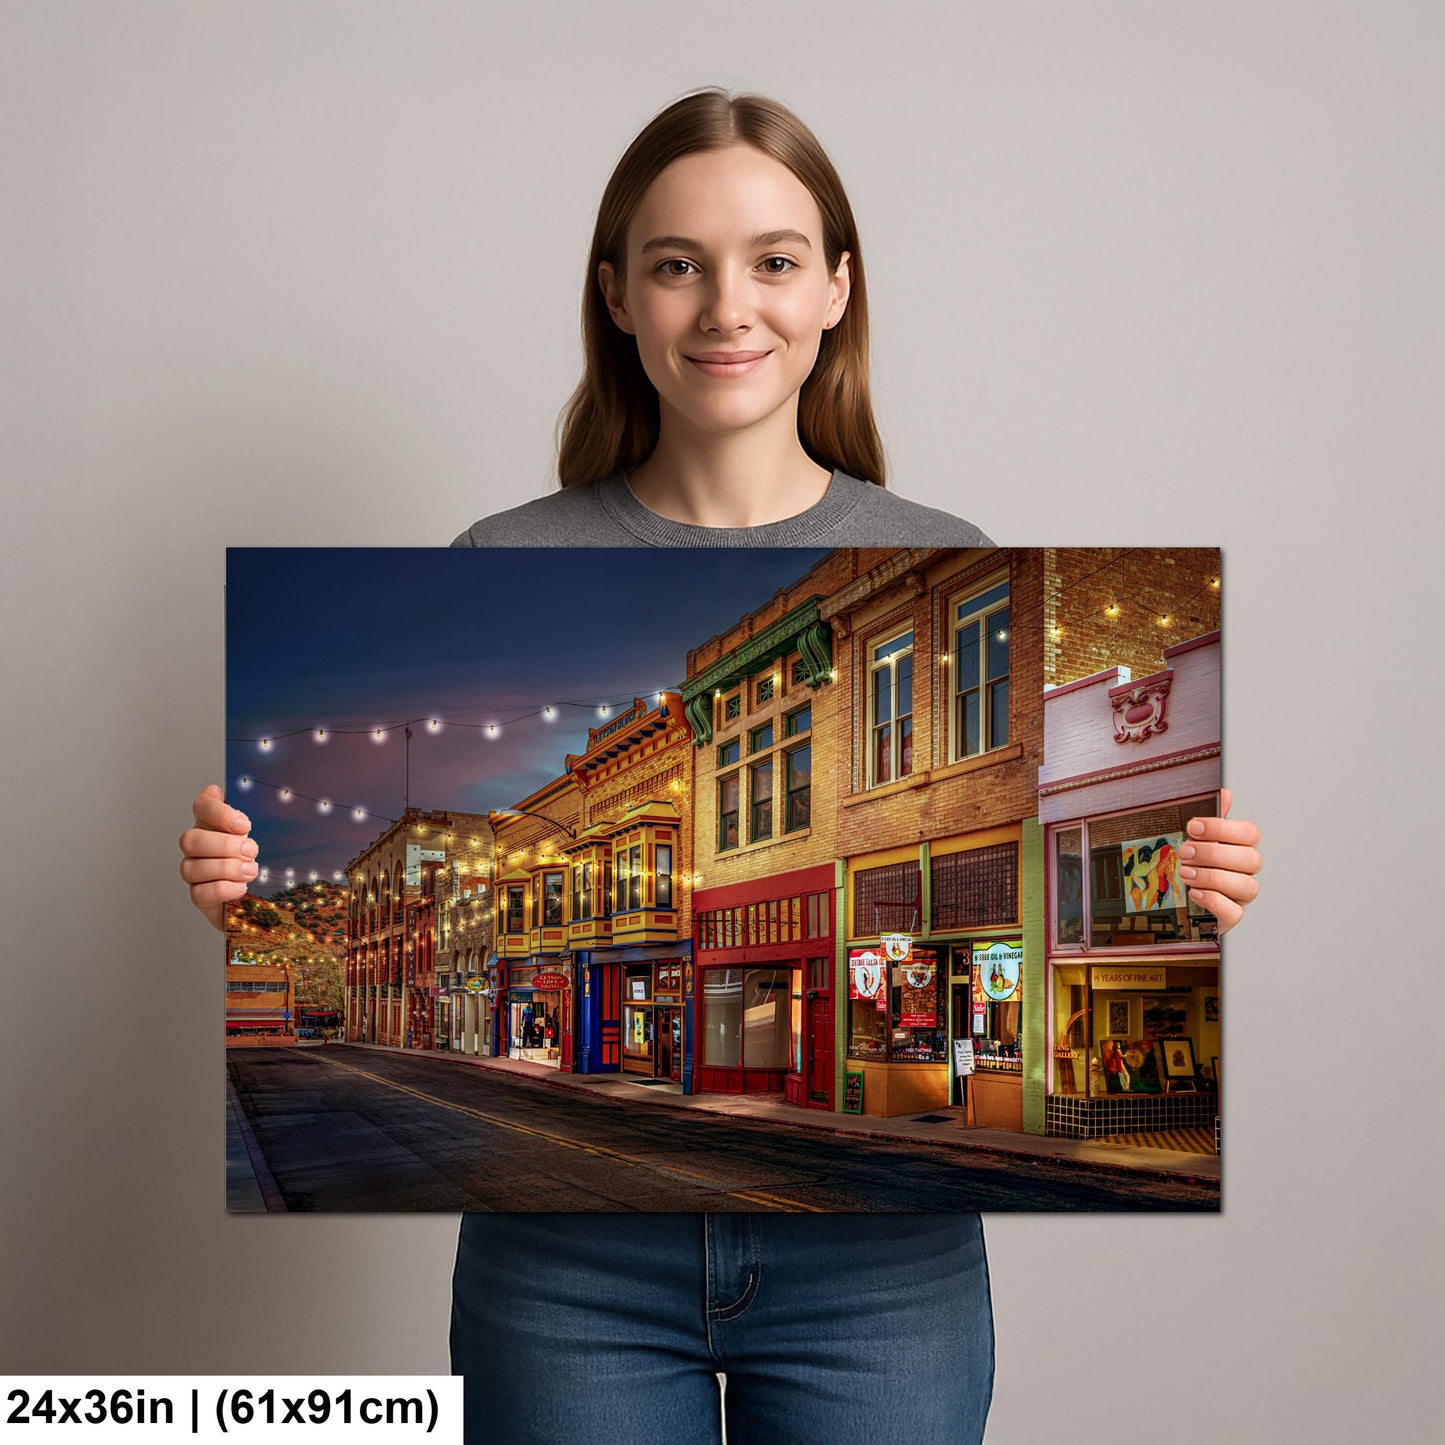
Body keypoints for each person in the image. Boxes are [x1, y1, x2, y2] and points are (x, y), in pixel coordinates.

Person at [180, 88, 1263, 1444]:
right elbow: (250, 901)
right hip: (559, 1276)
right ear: (617, 295)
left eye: (773, 258)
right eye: (676, 262)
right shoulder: (501, 553)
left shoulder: (952, 540)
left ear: (834, 290)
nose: (724, 305)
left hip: (884, 1284)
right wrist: (228, 887)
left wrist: (1210, 884)